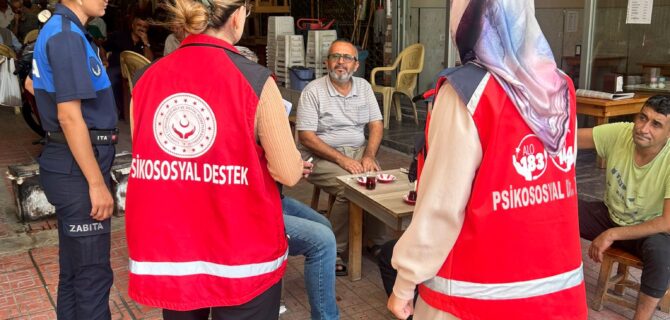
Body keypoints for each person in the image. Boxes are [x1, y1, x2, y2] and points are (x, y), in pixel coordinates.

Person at [387, 1, 588, 319]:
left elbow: (442, 207)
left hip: (473, 294)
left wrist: (404, 283)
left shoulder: (467, 90)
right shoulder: (560, 86)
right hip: (557, 292)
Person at [124, 0, 304, 319]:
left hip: (174, 252)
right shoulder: (255, 80)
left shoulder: (144, 80)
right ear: (236, 17)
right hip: (241, 253)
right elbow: (289, 173)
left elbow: (148, 155)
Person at [235, 44, 340, 320]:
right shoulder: (240, 108)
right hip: (251, 209)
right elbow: (285, 172)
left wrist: (292, 163)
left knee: (324, 225)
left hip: (273, 197)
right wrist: (290, 166)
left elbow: (282, 167)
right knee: (323, 240)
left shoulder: (256, 103)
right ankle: (327, 317)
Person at [31, 0, 118, 318]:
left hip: (71, 161)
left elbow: (33, 83)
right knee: (92, 277)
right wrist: (96, 183)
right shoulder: (65, 35)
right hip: (77, 169)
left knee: (75, 273)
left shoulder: (64, 30)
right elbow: (69, 117)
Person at [296, 39, 387, 276]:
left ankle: (374, 241)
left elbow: (376, 125)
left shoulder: (364, 87)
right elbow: (306, 137)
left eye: (347, 58)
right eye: (335, 57)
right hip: (320, 156)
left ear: (356, 65)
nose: (341, 62)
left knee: (377, 182)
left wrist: (369, 155)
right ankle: (334, 248)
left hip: (358, 151)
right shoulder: (313, 90)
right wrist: (342, 160)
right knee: (352, 189)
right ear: (327, 62)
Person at [577, 95, 670, 320]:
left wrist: (612, 234)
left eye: (656, 124)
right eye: (642, 118)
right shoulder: (621, 133)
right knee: (558, 209)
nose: (643, 128)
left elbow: (666, 222)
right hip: (610, 214)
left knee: (662, 256)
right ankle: (546, 281)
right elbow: (569, 139)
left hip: (650, 229)